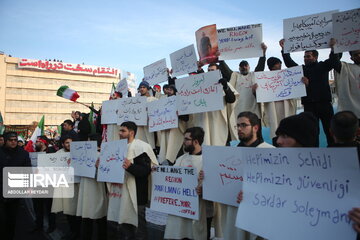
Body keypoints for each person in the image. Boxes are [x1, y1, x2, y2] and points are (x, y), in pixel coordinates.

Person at [219, 112, 274, 240]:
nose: (239, 129)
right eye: (237, 126)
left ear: (255, 127)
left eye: (243, 125)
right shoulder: (228, 155)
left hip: (259, 215)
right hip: (234, 213)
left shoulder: (270, 152)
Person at [279, 38, 337, 145]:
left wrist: (334, 48)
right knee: (312, 132)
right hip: (309, 105)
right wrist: (284, 49)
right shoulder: (301, 70)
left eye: (308, 56)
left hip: (324, 104)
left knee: (330, 131)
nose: (305, 58)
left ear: (315, 57)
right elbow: (289, 63)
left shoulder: (323, 66)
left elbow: (333, 60)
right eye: (304, 57)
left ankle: (333, 152)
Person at [107, 121, 158, 240]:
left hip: (137, 195)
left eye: (123, 131)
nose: (120, 133)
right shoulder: (116, 147)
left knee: (138, 227)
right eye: (119, 130)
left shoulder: (142, 147)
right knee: (124, 226)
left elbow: (146, 171)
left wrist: (130, 166)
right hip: (120, 193)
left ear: (132, 132)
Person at [164, 127, 207, 240]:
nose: (184, 142)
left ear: (196, 141)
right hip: (180, 208)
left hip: (198, 208)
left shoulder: (207, 159)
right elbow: (170, 179)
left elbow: (215, 186)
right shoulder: (181, 159)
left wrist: (204, 190)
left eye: (187, 139)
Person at [76, 133, 108, 240]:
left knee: (99, 218)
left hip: (97, 190)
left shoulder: (101, 156)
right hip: (87, 190)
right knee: (88, 219)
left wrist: (98, 168)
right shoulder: (83, 155)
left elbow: (105, 175)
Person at [0, 131, 31, 240]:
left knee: (12, 218)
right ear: (5, 141)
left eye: (15, 140)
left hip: (14, 191)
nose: (13, 142)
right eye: (10, 140)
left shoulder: (23, 154)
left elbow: (28, 171)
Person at [51, 136, 81, 239]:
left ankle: (78, 232)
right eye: (67, 143)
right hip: (65, 186)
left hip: (77, 186)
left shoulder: (79, 152)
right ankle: (72, 231)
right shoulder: (58, 154)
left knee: (77, 210)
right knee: (68, 210)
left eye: (71, 143)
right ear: (63, 144)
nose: (69, 145)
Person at [262, 56, 297, 139]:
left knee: (289, 131)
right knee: (276, 131)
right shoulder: (265, 78)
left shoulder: (287, 76)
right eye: (278, 64)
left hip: (286, 106)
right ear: (273, 65)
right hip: (273, 108)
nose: (280, 65)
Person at [229, 43, 267, 119]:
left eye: (246, 65)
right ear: (239, 68)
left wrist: (263, 53)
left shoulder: (254, 75)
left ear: (249, 67)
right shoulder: (235, 76)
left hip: (254, 112)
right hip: (239, 112)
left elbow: (260, 66)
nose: (244, 67)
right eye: (241, 66)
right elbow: (226, 70)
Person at [32, 135, 56, 233]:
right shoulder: (35, 153)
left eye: (37, 141)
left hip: (48, 184)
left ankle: (52, 226)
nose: (35, 143)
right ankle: (39, 226)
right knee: (37, 207)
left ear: (42, 143)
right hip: (37, 184)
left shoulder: (51, 152)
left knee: (49, 207)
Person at [333, 49, 360, 122]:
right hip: (354, 113)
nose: (358, 56)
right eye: (355, 55)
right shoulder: (346, 68)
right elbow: (334, 61)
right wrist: (336, 47)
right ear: (351, 58)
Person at [135, 81, 157, 149]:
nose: (142, 89)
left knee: (149, 145)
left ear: (147, 89)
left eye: (144, 87)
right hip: (139, 127)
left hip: (149, 127)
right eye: (140, 87)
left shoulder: (153, 99)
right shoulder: (135, 101)